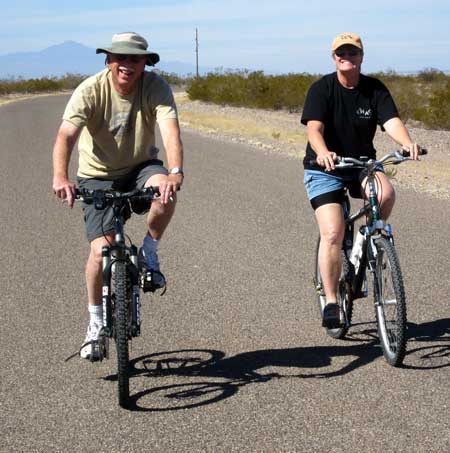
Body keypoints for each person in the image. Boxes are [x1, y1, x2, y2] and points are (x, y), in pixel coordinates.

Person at [52, 32, 184, 360]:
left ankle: (149, 253)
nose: (127, 64)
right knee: (100, 252)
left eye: (134, 59)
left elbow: (170, 131)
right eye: (120, 58)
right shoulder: (90, 89)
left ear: (145, 63)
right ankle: (95, 323)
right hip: (97, 176)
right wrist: (60, 176)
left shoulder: (156, 87)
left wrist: (175, 171)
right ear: (109, 60)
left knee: (165, 194)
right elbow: (66, 135)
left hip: (140, 166)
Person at [301, 32, 421, 328]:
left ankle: (368, 241)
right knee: (332, 233)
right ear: (334, 58)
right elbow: (314, 129)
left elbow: (390, 120)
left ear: (361, 57)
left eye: (352, 53)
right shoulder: (322, 89)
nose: (346, 57)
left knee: (386, 194)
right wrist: (323, 151)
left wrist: (407, 143)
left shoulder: (374, 89)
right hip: (324, 168)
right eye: (341, 53)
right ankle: (331, 301)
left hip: (360, 165)